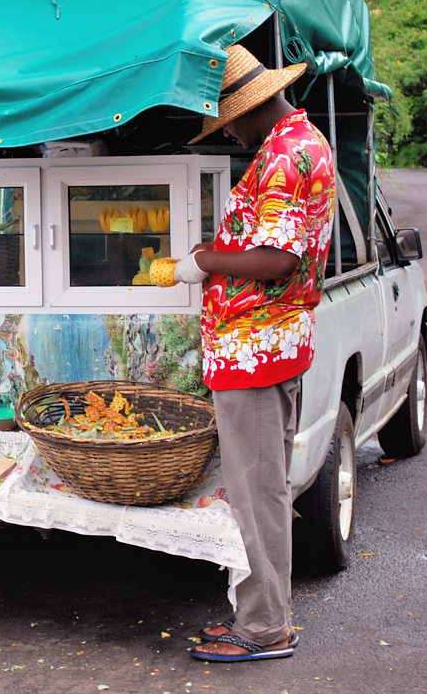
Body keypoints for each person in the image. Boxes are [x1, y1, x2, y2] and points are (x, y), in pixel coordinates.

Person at [171, 44, 337, 662]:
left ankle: (265, 628)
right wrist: (214, 254)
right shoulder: (292, 143)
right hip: (263, 344)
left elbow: (277, 260)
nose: (231, 132)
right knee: (257, 487)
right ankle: (257, 614)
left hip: (255, 349)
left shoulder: (288, 156)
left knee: (257, 488)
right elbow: (268, 243)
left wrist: (205, 262)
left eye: (231, 120)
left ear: (252, 107)